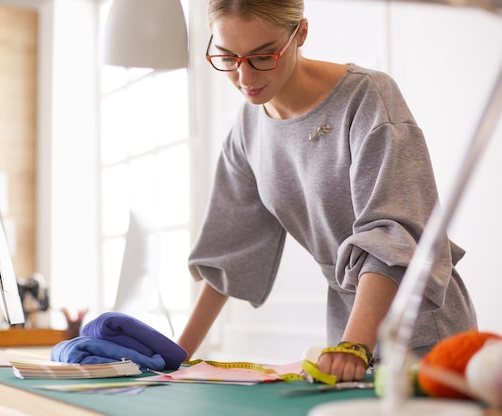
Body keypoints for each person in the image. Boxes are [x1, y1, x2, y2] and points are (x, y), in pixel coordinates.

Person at [177, 0, 477, 382]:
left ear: (300, 33)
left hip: (420, 332)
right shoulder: (248, 128)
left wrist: (356, 345)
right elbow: (229, 255)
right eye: (227, 56)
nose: (244, 75)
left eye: (262, 56)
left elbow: (392, 235)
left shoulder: (367, 97)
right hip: (346, 337)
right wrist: (173, 355)